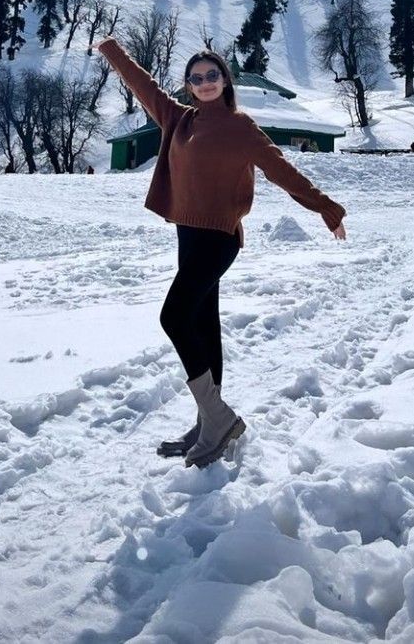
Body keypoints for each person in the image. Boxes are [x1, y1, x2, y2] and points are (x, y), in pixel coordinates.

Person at [97, 36, 347, 470]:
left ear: (225, 80)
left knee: (173, 317)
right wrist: (112, 50)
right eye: (197, 78)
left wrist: (325, 208)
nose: (205, 82)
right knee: (203, 326)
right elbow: (144, 85)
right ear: (189, 87)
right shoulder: (179, 120)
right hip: (188, 235)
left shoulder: (240, 126)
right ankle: (206, 422)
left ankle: (217, 418)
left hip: (218, 240)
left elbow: (281, 170)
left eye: (213, 75)